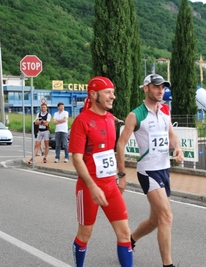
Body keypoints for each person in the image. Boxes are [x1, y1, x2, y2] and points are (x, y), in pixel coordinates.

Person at [116, 74, 184, 267]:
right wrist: (121, 174)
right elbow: (120, 145)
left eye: (163, 87)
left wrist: (177, 147)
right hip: (148, 172)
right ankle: (167, 264)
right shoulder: (136, 115)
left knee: (155, 220)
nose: (160, 90)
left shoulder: (165, 110)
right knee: (166, 216)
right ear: (146, 88)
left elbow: (171, 134)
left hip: (164, 170)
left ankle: (130, 240)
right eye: (156, 87)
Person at [69, 76, 133, 267]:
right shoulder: (82, 121)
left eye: (113, 92)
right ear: (93, 94)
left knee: (124, 233)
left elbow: (110, 152)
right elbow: (76, 158)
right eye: (108, 92)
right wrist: (92, 186)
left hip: (110, 185)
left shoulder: (110, 119)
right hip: (88, 188)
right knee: (85, 233)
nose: (113, 96)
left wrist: (120, 176)